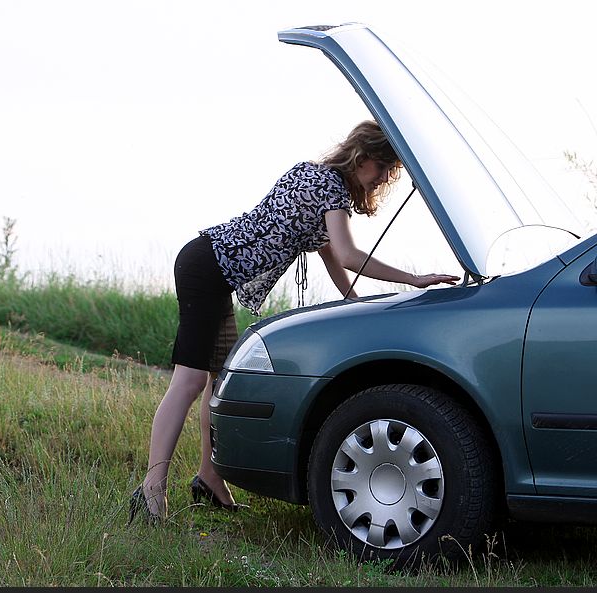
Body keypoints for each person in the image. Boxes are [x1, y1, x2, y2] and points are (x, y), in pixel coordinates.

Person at [129, 120, 460, 523]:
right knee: (189, 380)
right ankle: (149, 492)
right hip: (205, 268)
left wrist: (355, 304)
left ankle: (209, 480)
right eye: (385, 170)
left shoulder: (313, 175)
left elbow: (330, 255)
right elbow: (350, 255)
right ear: (365, 157)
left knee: (218, 381)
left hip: (210, 267)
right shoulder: (330, 188)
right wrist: (413, 279)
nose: (384, 180)